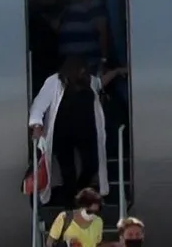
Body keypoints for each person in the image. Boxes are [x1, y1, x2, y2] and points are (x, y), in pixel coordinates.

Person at [28, 55, 125, 205]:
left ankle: (80, 191)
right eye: (80, 69)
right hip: (63, 134)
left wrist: (117, 71)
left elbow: (100, 83)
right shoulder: (54, 82)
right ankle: (71, 202)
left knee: (92, 164)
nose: (83, 72)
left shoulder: (88, 81)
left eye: (84, 70)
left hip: (85, 133)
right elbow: (39, 104)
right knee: (68, 170)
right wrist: (36, 125)